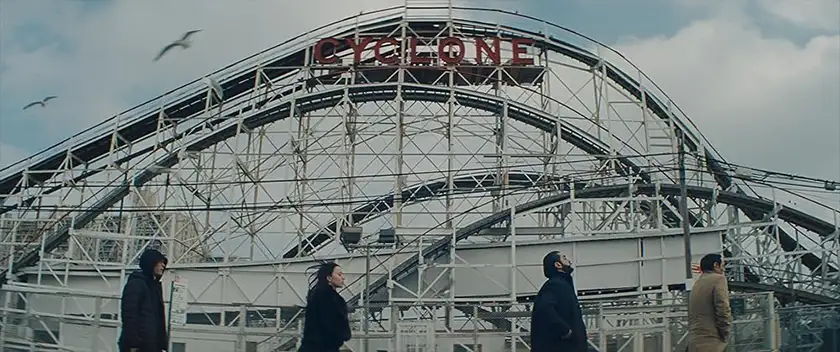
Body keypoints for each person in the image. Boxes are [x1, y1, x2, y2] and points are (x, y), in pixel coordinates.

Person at [530, 251, 588, 352]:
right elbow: (544, 309)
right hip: (562, 346)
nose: (569, 261)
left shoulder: (561, 284)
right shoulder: (555, 285)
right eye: (564, 258)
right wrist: (565, 331)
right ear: (558, 265)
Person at [118, 248, 169, 352]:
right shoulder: (136, 283)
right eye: (160, 262)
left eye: (164, 263)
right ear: (151, 263)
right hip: (138, 346)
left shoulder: (154, 287)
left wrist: (161, 344)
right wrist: (133, 343)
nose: (163, 266)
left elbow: (157, 318)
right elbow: (129, 315)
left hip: (151, 346)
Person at [299, 262, 351, 352]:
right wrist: (342, 335)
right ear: (329, 278)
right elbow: (328, 325)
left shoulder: (319, 296)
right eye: (339, 274)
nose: (343, 277)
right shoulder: (327, 298)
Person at [688, 253, 732, 352]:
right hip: (712, 341)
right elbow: (723, 308)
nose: (723, 270)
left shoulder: (697, 283)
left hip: (695, 342)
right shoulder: (718, 279)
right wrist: (725, 333)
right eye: (723, 266)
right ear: (716, 265)